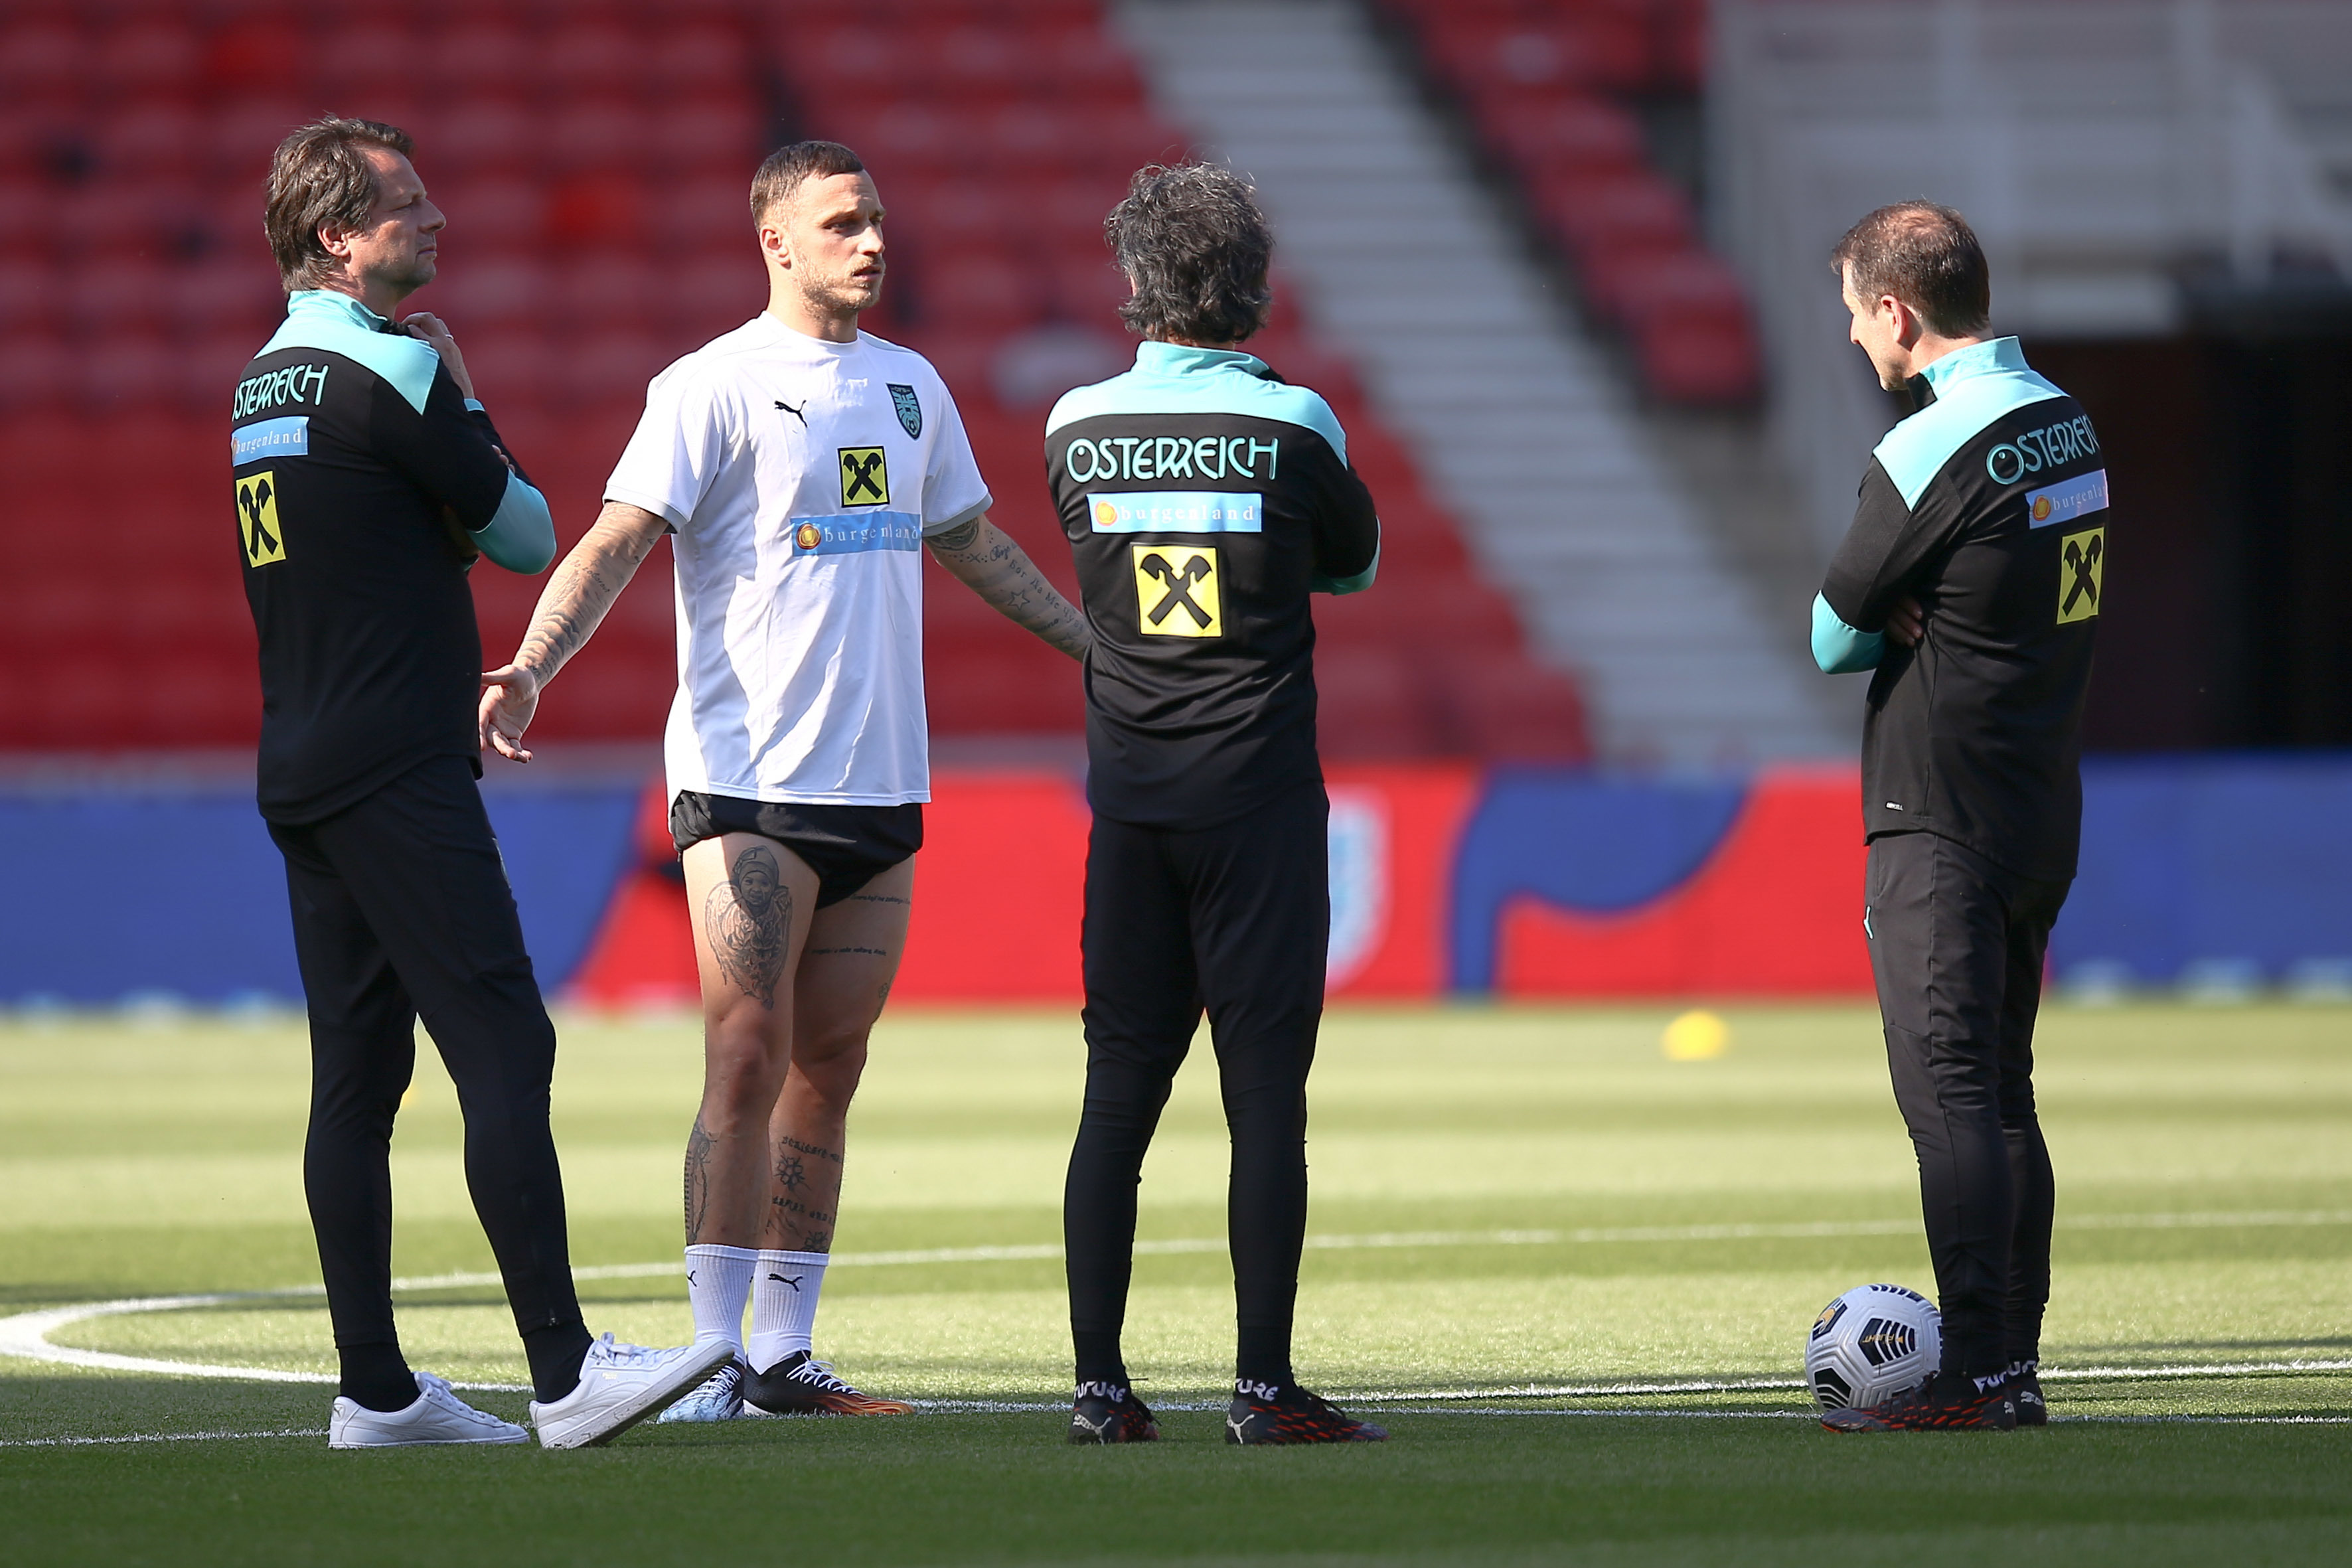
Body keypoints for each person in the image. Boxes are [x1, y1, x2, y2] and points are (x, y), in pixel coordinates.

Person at [477, 140, 1088, 1421]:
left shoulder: (914, 387)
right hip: (749, 781)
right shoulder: (710, 386)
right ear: (777, 241)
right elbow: (615, 538)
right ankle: (706, 1357)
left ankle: (777, 1352)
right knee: (743, 1051)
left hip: (882, 785)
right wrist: (532, 662)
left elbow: (968, 536)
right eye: (844, 222)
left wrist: (1098, 648)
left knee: (834, 1061)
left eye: (878, 220)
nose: (872, 241)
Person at [237, 117, 729, 1450]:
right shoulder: (394, 367)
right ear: (337, 237)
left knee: (355, 1077)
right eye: (404, 202)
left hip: (302, 757)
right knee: (505, 1042)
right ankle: (568, 1372)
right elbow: (523, 532)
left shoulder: (261, 381)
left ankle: (376, 1388)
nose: (435, 216)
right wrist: (460, 393)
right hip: (398, 761)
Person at [1046, 164, 1385, 1446]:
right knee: (1264, 1104)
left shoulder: (1071, 426)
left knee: (1117, 1097)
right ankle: (1261, 1389)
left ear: (1135, 284)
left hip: (1130, 808)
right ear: (1251, 285)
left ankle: (1098, 1390)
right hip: (1257, 806)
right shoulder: (1299, 424)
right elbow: (1348, 565)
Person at [1810, 200, 2109, 1432]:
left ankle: (1978, 1374)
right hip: (2039, 796)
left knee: (1953, 1100)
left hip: (1935, 810)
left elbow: (1832, 634)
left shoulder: (1931, 448)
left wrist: (1903, 610)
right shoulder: (2067, 421)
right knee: (2005, 1093)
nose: (1853, 342)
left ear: (1899, 310)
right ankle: (2011, 1364)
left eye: (1853, 316)